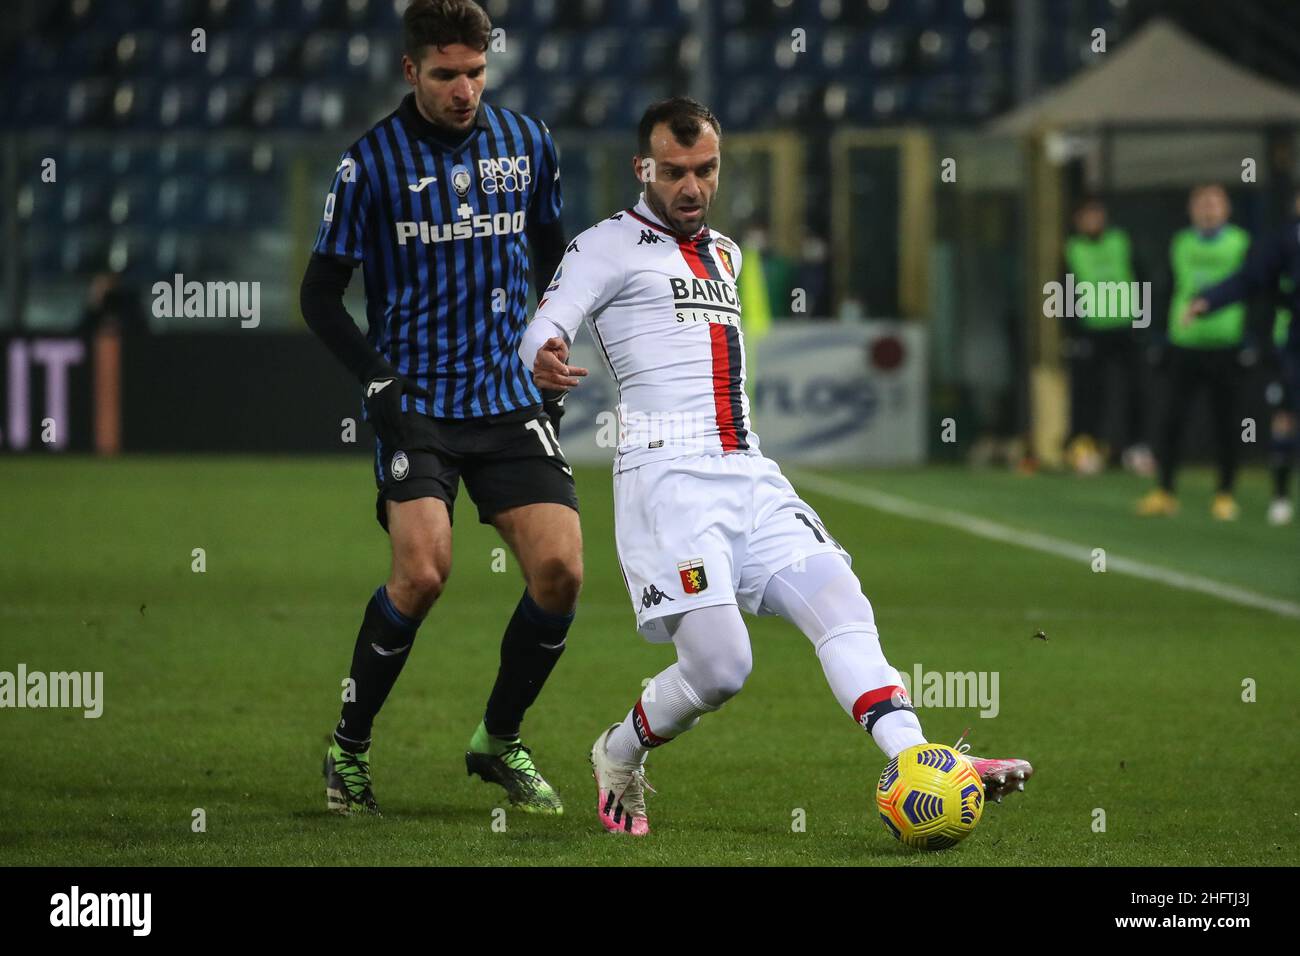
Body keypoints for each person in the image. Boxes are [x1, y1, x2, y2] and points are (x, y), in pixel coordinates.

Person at [518, 97, 1033, 836]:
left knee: (843, 603)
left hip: (750, 475)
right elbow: (547, 320)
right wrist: (541, 351)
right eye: (674, 172)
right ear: (643, 168)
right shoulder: (604, 246)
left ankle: (923, 761)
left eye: (706, 169)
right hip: (670, 485)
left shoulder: (726, 252)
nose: (692, 186)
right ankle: (618, 752)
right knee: (723, 669)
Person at [300, 0, 581, 815]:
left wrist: (550, 340)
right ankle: (348, 748)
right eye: (447, 74)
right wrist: (377, 379)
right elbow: (319, 297)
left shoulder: (529, 144)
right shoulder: (369, 164)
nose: (465, 90)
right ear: (410, 70)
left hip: (506, 395)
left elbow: (554, 257)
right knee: (423, 573)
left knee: (561, 574)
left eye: (476, 72)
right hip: (415, 402)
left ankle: (498, 738)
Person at [1184, 188, 1300, 526]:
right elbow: (1250, 279)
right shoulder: (1285, 240)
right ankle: (1280, 496)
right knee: (1286, 415)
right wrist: (1209, 300)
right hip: (1293, 342)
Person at [1138, 185, 1251, 520]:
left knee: (1227, 423)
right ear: (1191, 210)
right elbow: (1167, 287)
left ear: (1227, 209)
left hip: (1226, 344)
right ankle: (1165, 491)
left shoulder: (1241, 244)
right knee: (1172, 420)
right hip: (1184, 345)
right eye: (1201, 204)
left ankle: (1225, 494)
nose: (1208, 210)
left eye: (1215, 204)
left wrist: (1252, 340)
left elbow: (1256, 289)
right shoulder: (1180, 243)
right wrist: (1158, 337)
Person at [1059, 197, 1152, 476]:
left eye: (1096, 215)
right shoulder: (1072, 249)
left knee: (1135, 390)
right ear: (1078, 220)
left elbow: (1141, 277)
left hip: (1124, 328)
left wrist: (1142, 322)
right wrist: (1072, 331)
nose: (1093, 221)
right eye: (1087, 216)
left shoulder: (1121, 242)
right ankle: (1086, 448)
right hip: (1090, 331)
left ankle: (1136, 448)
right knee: (1089, 394)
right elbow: (1063, 289)